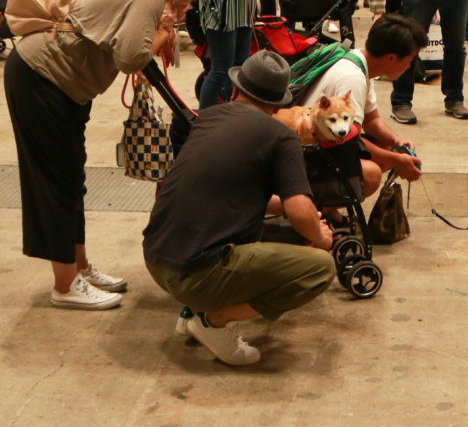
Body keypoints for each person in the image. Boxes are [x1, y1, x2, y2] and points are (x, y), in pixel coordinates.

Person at [8, 0, 221, 310]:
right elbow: (130, 58)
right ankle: (64, 285)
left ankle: (80, 267)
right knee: (56, 181)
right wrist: (159, 39)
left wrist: (159, 31)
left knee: (73, 178)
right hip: (42, 76)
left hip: (62, 84)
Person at [143, 50, 336, 366]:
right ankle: (213, 321)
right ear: (277, 106)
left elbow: (231, 194)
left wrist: (288, 209)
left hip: (157, 257)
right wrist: (321, 236)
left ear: (233, 91)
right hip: (195, 274)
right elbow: (302, 213)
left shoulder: (206, 118)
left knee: (238, 226)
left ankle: (192, 311)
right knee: (318, 268)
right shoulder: (280, 136)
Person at [300, 13, 427, 195]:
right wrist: (397, 160)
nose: (409, 67)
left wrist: (397, 142)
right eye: (410, 60)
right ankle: (319, 210)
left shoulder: (360, 61)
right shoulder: (353, 78)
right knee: (371, 174)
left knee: (387, 150)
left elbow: (371, 120)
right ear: (391, 58)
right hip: (307, 154)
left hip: (321, 144)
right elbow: (351, 142)